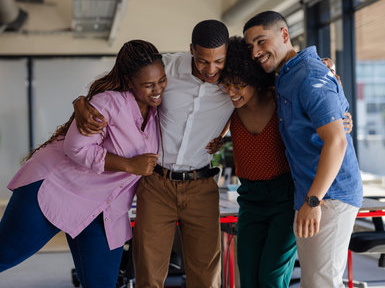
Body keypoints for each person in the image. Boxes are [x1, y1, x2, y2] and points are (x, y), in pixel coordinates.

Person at [73, 20, 235, 287]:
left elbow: (255, 97)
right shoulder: (166, 68)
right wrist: (80, 101)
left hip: (202, 186)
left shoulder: (235, 77)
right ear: (192, 49)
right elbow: (117, 83)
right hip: (156, 184)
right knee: (148, 275)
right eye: (204, 61)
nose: (211, 69)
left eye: (219, 61)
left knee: (206, 278)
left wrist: (223, 132)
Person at [0, 40, 166, 287]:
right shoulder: (109, 103)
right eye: (148, 85)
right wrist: (130, 165)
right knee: (4, 255)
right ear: (130, 82)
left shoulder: (158, 111)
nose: (158, 90)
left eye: (161, 81)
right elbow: (76, 147)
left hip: (104, 211)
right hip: (57, 189)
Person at [218, 36, 353, 287]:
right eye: (226, 85)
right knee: (248, 276)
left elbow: (324, 89)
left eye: (239, 84)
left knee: (271, 277)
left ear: (255, 79)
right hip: (249, 199)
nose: (232, 91)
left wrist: (344, 116)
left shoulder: (280, 98)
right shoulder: (228, 110)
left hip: (285, 197)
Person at [243, 11, 363, 288]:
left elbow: (337, 141)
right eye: (251, 47)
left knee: (321, 282)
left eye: (262, 42)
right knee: (314, 280)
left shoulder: (309, 75)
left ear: (284, 35)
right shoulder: (289, 74)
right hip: (310, 193)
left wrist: (313, 200)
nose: (256, 52)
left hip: (327, 195)